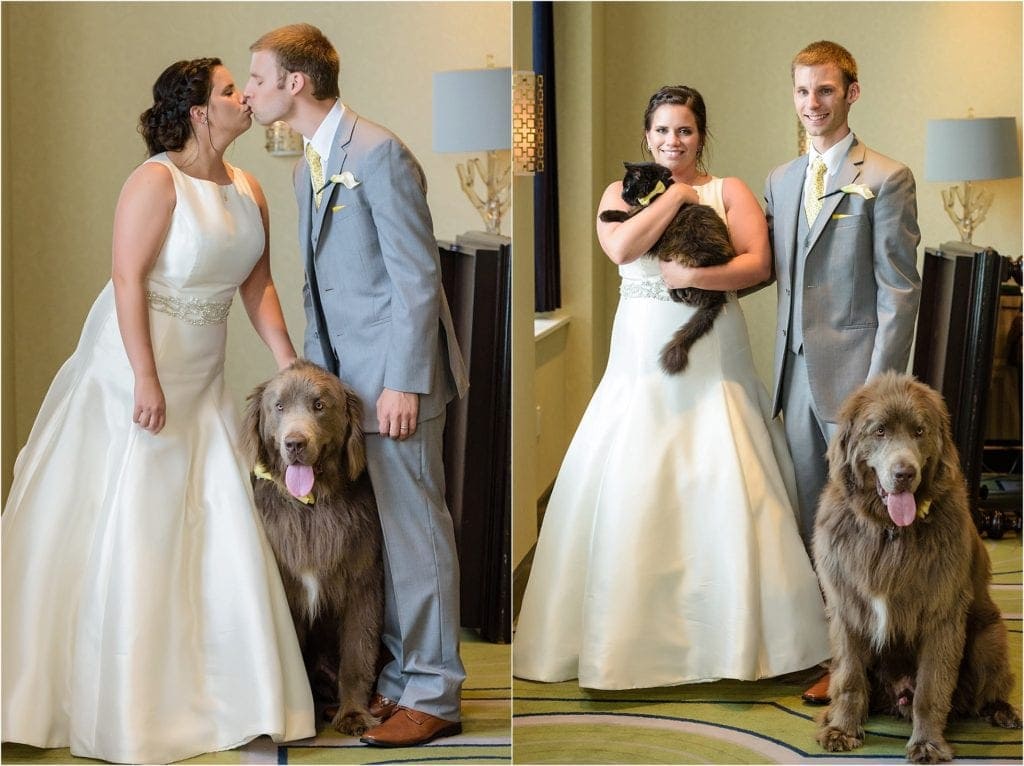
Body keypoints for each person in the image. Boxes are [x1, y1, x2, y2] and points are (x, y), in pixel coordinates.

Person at [1, 59, 315, 763]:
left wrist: (287, 363)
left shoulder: (248, 188)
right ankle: (123, 700)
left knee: (214, 512)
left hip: (202, 372)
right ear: (201, 111)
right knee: (136, 510)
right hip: (139, 363)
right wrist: (143, 375)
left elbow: (256, 283)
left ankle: (232, 695)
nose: (243, 98)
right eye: (230, 90)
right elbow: (126, 277)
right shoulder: (154, 180)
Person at [513, 85, 829, 690]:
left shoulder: (730, 189)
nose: (671, 141)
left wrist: (695, 271)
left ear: (700, 136)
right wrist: (677, 195)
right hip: (640, 349)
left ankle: (743, 638)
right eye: (661, 131)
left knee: (725, 466)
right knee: (637, 468)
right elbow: (622, 246)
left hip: (711, 346)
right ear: (646, 136)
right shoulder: (619, 193)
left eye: (683, 131)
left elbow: (758, 264)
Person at [244, 24, 469, 747]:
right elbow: (319, 295)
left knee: (416, 534)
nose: (250, 91)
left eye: (258, 77)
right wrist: (317, 390)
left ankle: (433, 693)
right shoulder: (309, 163)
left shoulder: (377, 153)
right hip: (345, 399)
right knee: (385, 547)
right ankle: (399, 682)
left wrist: (404, 381)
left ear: (296, 84)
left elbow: (416, 276)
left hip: (397, 387)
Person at [761, 40, 921, 703]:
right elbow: (765, 267)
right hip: (791, 377)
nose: (811, 104)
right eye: (802, 91)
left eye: (824, 90)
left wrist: (876, 400)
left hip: (856, 383)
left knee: (874, 526)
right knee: (812, 521)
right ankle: (836, 652)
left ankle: (897, 659)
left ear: (851, 93)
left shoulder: (885, 177)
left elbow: (900, 292)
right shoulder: (779, 180)